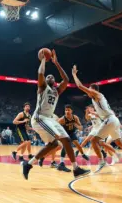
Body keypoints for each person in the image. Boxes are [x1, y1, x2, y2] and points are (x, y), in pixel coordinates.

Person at [21, 50, 90, 180]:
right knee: (57, 138)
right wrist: (43, 60)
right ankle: (30, 164)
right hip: (39, 118)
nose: (50, 77)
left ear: (55, 81)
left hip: (49, 119)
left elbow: (66, 79)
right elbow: (40, 73)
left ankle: (75, 169)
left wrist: (56, 63)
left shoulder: (57, 91)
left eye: (52, 77)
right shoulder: (42, 87)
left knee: (62, 142)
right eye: (48, 77)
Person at [72, 65, 122, 173]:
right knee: (119, 143)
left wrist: (74, 74)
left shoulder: (97, 94)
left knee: (94, 141)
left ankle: (102, 161)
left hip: (110, 120)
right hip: (113, 120)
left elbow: (80, 86)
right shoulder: (96, 100)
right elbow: (104, 112)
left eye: (89, 89)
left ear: (93, 90)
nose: (88, 91)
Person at [56, 104, 89, 172]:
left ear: (71, 111)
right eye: (66, 110)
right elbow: (55, 126)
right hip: (65, 134)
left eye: (68, 110)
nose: (67, 111)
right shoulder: (62, 119)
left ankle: (83, 154)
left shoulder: (75, 117)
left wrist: (76, 125)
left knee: (77, 144)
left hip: (72, 133)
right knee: (65, 147)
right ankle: (61, 163)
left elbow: (81, 128)